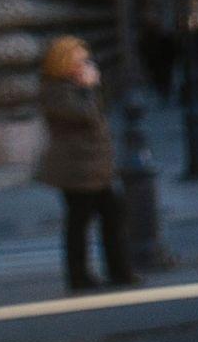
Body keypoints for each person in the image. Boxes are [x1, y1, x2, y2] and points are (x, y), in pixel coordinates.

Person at [36, 36, 134, 291]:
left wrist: (90, 88)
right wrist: (88, 88)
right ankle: (80, 276)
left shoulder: (73, 88)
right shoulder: (57, 90)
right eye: (79, 61)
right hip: (77, 169)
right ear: (64, 63)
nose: (84, 66)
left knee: (111, 216)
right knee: (80, 223)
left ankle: (118, 271)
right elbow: (86, 115)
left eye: (85, 60)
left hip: (93, 167)